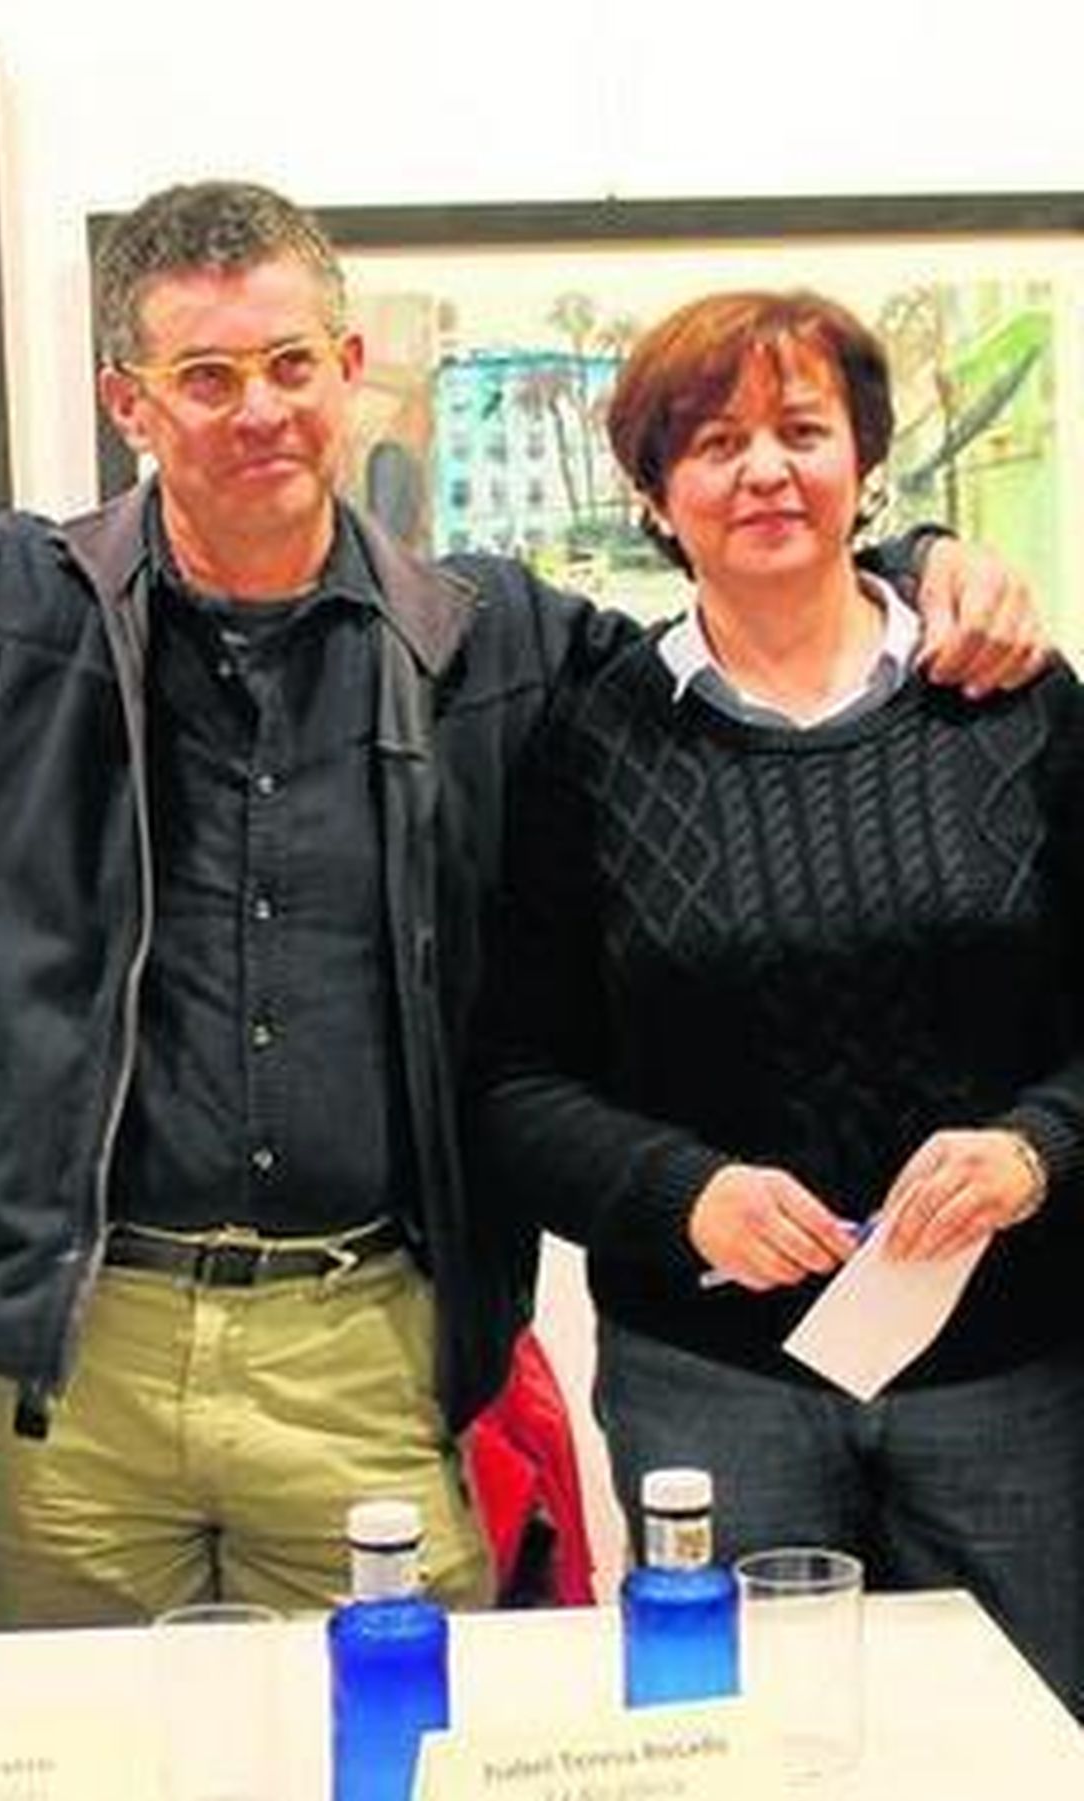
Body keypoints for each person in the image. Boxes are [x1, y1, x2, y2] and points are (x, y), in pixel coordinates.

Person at [0, 186, 1044, 1630]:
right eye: (207, 376)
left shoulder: (488, 638)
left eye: (291, 363)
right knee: (87, 1770)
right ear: (130, 402)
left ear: (350, 366)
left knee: (390, 1750)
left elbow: (743, 613)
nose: (260, 411)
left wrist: (916, 558)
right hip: (67, 1367)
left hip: (364, 1342)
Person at [473, 289, 1084, 1711]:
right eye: (715, 441)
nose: (764, 469)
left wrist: (1034, 1148)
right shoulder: (590, 743)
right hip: (713, 1384)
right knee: (744, 1748)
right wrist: (680, 1190)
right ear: (655, 493)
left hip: (1011, 1377)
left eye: (803, 430)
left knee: (1032, 1742)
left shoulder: (1017, 702)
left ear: (865, 465)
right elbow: (508, 1078)